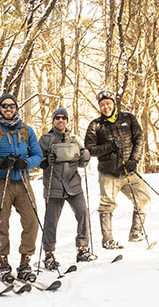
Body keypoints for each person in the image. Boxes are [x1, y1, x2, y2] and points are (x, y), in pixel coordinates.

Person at [0, 93, 43, 283]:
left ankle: (25, 261)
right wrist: (0, 164)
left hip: (22, 180)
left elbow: (38, 155)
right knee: (2, 222)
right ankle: (3, 262)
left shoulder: (26, 130)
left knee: (31, 220)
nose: (8, 109)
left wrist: (26, 163)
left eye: (11, 106)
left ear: (16, 109)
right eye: (4, 106)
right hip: (1, 180)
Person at [84, 90, 151, 249]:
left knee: (143, 198)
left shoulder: (128, 119)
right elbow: (90, 149)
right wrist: (110, 147)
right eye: (102, 105)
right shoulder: (96, 125)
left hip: (128, 170)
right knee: (107, 204)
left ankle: (136, 232)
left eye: (108, 103)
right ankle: (108, 240)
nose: (105, 107)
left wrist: (134, 160)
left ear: (114, 103)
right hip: (109, 173)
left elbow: (139, 139)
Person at [38, 107, 97, 268]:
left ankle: (82, 249)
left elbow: (82, 162)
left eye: (63, 118)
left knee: (83, 213)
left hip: (73, 184)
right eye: (57, 117)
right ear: (53, 120)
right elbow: (37, 160)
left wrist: (86, 157)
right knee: (51, 220)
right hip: (54, 185)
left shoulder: (75, 139)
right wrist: (45, 161)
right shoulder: (45, 139)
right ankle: (49, 254)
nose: (60, 120)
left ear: (67, 120)